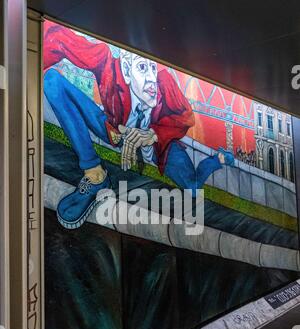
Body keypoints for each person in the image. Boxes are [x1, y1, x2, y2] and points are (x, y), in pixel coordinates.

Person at [44, 21, 234, 229]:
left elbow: (186, 116)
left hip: (158, 146)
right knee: (52, 81)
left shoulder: (164, 82)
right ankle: (95, 175)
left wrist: (152, 134)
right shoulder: (110, 66)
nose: (151, 79)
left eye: (152, 68)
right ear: (126, 69)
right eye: (142, 68)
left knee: (193, 188)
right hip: (116, 132)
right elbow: (59, 39)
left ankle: (217, 159)